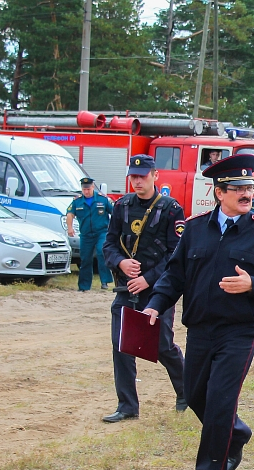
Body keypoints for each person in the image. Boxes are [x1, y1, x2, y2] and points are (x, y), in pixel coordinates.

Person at [143, 154, 254, 470]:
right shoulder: (195, 229)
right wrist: (155, 306)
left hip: (240, 330)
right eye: (238, 188)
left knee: (221, 400)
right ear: (219, 193)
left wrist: (253, 284)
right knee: (194, 394)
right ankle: (236, 433)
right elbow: (174, 275)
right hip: (200, 328)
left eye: (250, 188)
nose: (247, 194)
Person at [101, 154, 187, 423]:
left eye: (143, 176)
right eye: (134, 177)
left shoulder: (171, 209)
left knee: (162, 346)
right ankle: (127, 406)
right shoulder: (122, 206)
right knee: (121, 345)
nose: (138, 181)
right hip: (127, 288)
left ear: (155, 176)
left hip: (158, 290)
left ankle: (186, 392)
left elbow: (176, 254)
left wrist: (149, 278)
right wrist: (121, 262)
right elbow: (109, 245)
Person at [67, 177, 114, 291]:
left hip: (101, 232)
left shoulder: (103, 200)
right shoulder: (77, 201)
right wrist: (70, 228)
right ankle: (84, 286)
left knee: (101, 252)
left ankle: (105, 281)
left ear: (93, 187)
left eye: (88, 189)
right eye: (84, 189)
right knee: (85, 259)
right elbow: (70, 214)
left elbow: (114, 213)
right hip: (86, 234)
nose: (86, 191)